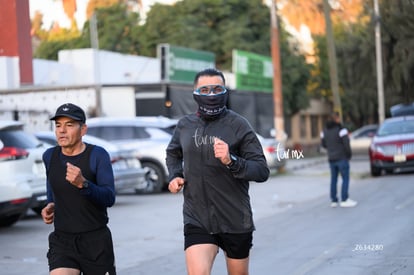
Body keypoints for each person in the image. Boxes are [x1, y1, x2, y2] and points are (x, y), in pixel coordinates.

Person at [166, 68, 270, 275]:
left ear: (225, 91)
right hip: (197, 218)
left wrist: (231, 160)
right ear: (195, 93)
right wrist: (175, 175)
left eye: (217, 89)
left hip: (235, 219)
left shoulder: (238, 125)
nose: (211, 95)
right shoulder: (185, 125)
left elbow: (261, 170)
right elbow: (173, 153)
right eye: (204, 90)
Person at [41, 103, 117, 275]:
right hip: (63, 241)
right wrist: (50, 205)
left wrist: (84, 184)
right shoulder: (49, 156)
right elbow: (51, 187)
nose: (62, 130)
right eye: (58, 125)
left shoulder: (98, 155)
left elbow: (109, 198)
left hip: (96, 242)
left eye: (69, 125)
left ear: (83, 130)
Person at [320, 111, 357, 208]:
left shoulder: (324, 131)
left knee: (333, 179)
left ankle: (334, 200)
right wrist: (349, 155)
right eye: (338, 118)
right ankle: (344, 199)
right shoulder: (341, 130)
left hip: (331, 158)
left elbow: (323, 144)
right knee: (345, 178)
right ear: (336, 119)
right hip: (341, 158)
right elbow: (346, 144)